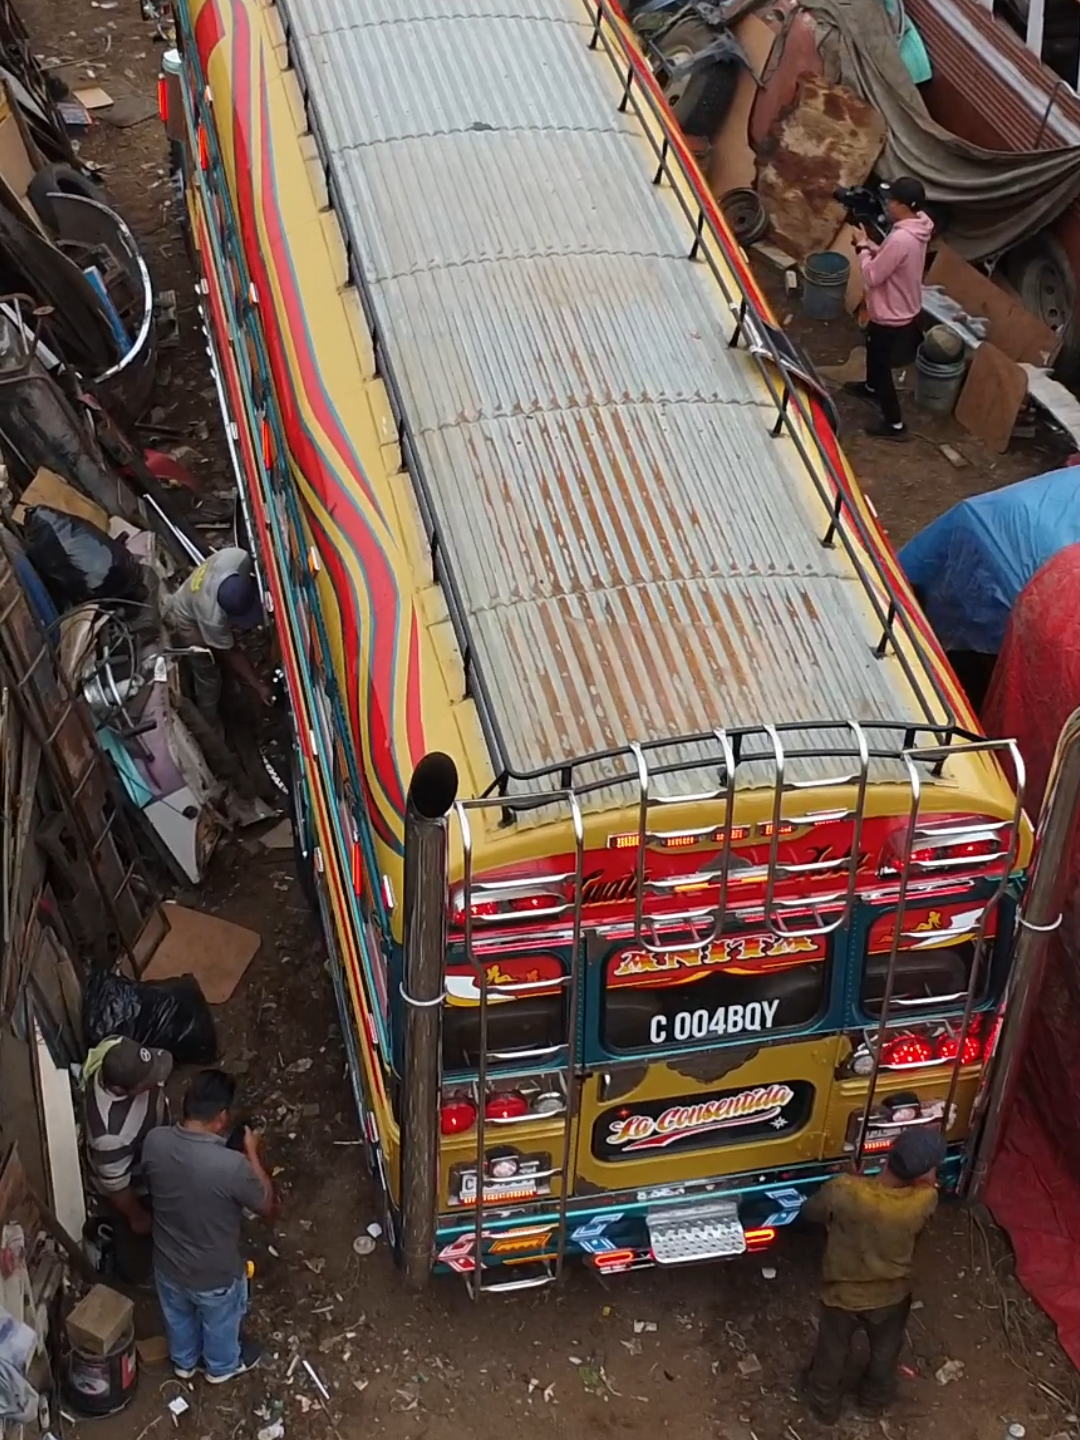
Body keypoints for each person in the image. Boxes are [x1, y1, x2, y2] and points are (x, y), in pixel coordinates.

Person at [800, 1126, 947, 1424]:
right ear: (924, 1175)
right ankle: (872, 1402)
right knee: (885, 1351)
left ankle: (825, 1406)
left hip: (843, 1295)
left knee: (832, 1350)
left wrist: (851, 1179)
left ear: (890, 1153)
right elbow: (923, 1200)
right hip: (892, 1295)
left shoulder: (844, 1190)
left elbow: (809, 1212)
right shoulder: (924, 1201)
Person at [142, 1070, 274, 1384]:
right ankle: (221, 1366)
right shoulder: (232, 1167)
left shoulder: (154, 1141)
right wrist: (252, 1150)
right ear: (221, 1118)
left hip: (167, 1263)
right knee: (220, 1322)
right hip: (214, 1273)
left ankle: (184, 1362)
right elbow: (267, 1203)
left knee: (178, 1316)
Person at [846, 176, 935, 442]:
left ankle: (895, 424)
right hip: (901, 306)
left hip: (890, 314)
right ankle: (871, 387)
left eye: (892, 201)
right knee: (873, 351)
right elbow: (891, 259)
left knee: (882, 364)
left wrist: (862, 247)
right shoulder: (916, 229)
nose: (889, 205)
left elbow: (872, 276)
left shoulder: (901, 239)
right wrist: (873, 246)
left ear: (904, 206)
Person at [82, 1037, 172, 1283]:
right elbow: (117, 1186)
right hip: (133, 1180)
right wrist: (138, 1217)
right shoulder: (110, 1135)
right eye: (148, 1082)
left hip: (153, 1146)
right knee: (135, 1266)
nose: (155, 1081)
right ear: (124, 1090)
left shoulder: (115, 1051)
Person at [161, 546, 270, 725]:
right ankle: (208, 721)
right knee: (207, 670)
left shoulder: (238, 559)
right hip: (186, 619)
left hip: (194, 592)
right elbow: (230, 653)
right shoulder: (211, 617)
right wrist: (258, 685)